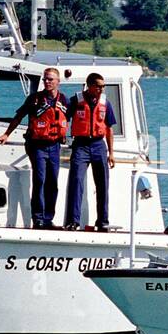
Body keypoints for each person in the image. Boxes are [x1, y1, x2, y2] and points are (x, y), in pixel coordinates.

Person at [0, 67, 68, 229]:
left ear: (58, 82)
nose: (47, 82)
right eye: (45, 79)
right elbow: (19, 116)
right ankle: (38, 219)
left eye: (50, 79)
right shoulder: (34, 99)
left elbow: (68, 118)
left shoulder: (64, 100)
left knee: (52, 182)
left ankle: (48, 219)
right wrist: (7, 134)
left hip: (54, 145)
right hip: (37, 145)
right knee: (39, 179)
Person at [64, 72, 117, 230]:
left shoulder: (105, 102)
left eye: (103, 86)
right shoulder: (75, 100)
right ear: (90, 86)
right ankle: (73, 221)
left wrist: (111, 153)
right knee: (76, 181)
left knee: (102, 184)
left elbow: (109, 128)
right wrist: (62, 136)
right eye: (99, 86)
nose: (102, 89)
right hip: (81, 144)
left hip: (99, 145)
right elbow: (64, 120)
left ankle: (103, 221)